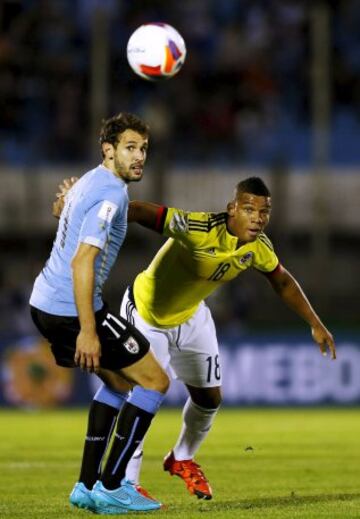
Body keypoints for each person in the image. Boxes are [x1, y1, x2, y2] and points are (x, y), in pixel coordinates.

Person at [55, 176, 336, 502]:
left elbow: (282, 281)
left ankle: (182, 457)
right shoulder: (198, 227)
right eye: (249, 209)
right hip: (147, 314)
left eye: (264, 212)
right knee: (143, 393)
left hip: (191, 317)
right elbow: (143, 211)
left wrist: (315, 323)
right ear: (232, 209)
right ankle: (125, 483)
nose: (258, 218)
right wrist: (89, 210)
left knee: (209, 400)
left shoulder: (258, 247)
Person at [29, 112, 169, 515]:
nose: (139, 156)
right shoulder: (111, 194)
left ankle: (85, 486)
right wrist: (88, 331)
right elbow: (82, 261)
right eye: (130, 148)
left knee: (120, 384)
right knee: (155, 381)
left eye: (143, 148)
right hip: (71, 309)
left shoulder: (89, 181)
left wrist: (65, 202)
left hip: (45, 305)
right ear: (108, 150)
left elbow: (63, 212)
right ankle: (112, 485)